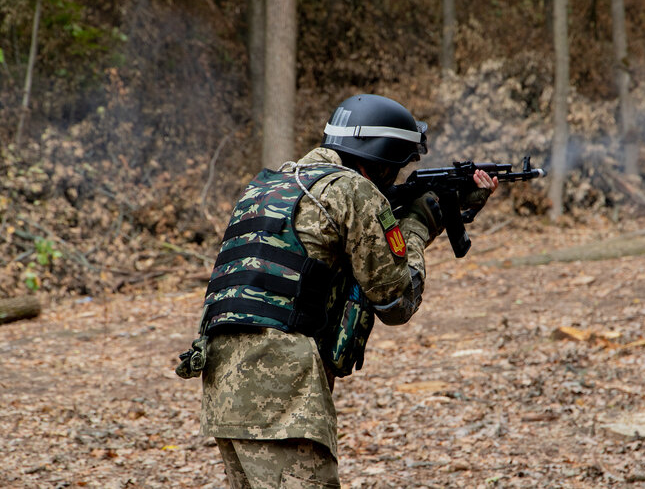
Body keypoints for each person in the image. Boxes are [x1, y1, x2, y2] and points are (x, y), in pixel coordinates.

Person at [177, 94, 498, 488]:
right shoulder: (353, 191)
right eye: (394, 170)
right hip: (281, 391)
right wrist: (419, 224)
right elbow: (396, 300)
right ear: (379, 162)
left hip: (222, 383)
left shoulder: (269, 185)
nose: (393, 181)